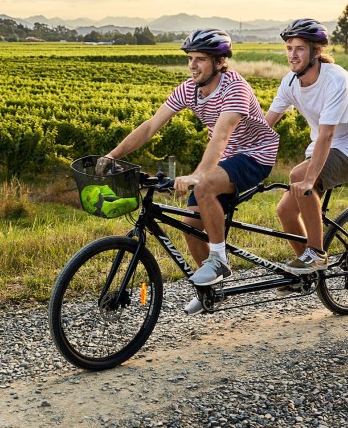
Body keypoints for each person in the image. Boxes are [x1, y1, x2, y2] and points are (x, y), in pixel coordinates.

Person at [96, 28, 280, 313]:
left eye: (201, 59)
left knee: (204, 186)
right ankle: (210, 290)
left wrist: (198, 175)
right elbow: (149, 126)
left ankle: (218, 260)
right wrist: (112, 155)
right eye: (190, 58)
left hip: (255, 155)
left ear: (220, 62)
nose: (193, 65)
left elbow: (221, 136)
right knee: (190, 224)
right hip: (226, 158)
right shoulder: (188, 89)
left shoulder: (235, 89)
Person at [265, 18, 348, 276]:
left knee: (299, 176)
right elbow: (266, 125)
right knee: (285, 210)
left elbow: (327, 135)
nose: (292, 55)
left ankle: (316, 253)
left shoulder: (336, 80)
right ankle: (305, 274)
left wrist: (309, 179)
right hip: (325, 147)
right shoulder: (289, 82)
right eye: (289, 48)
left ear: (316, 52)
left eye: (299, 48)